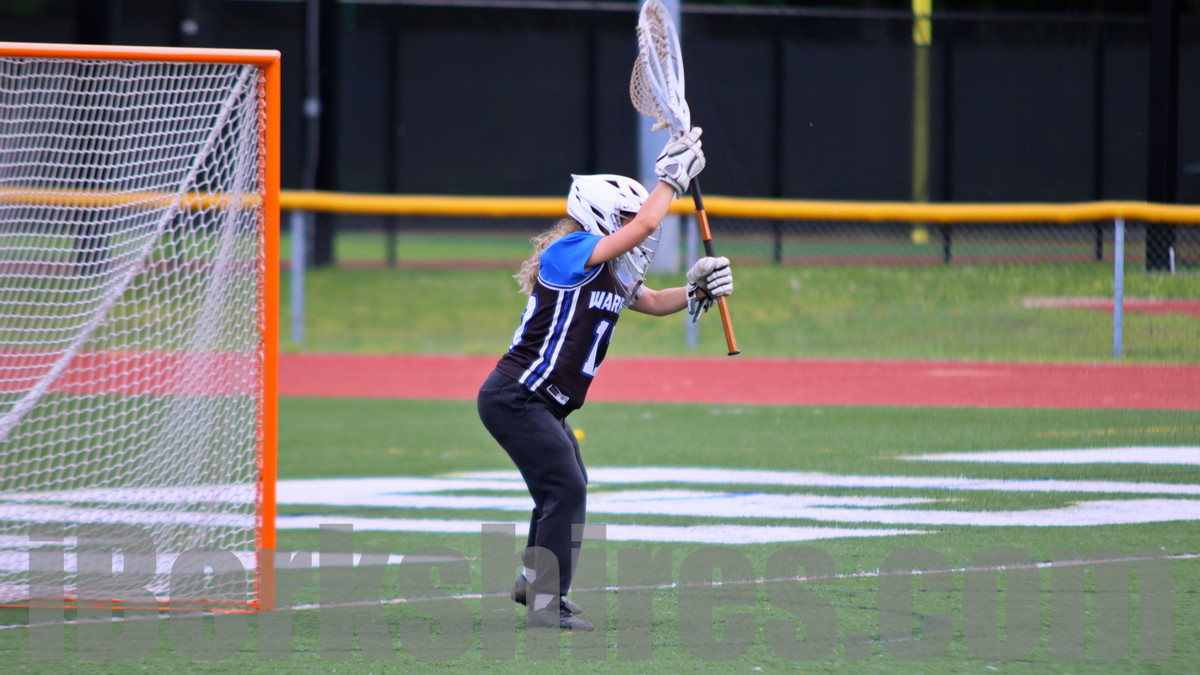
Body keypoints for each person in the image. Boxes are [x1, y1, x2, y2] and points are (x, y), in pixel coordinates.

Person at [476, 127, 734, 631]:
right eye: (622, 219)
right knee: (565, 487)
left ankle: (534, 582)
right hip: (517, 395)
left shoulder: (610, 269)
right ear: (596, 216)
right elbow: (647, 223)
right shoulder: (569, 249)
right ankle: (546, 604)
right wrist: (670, 180)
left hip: (542, 401)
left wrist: (695, 289)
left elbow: (653, 301)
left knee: (563, 484)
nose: (636, 229)